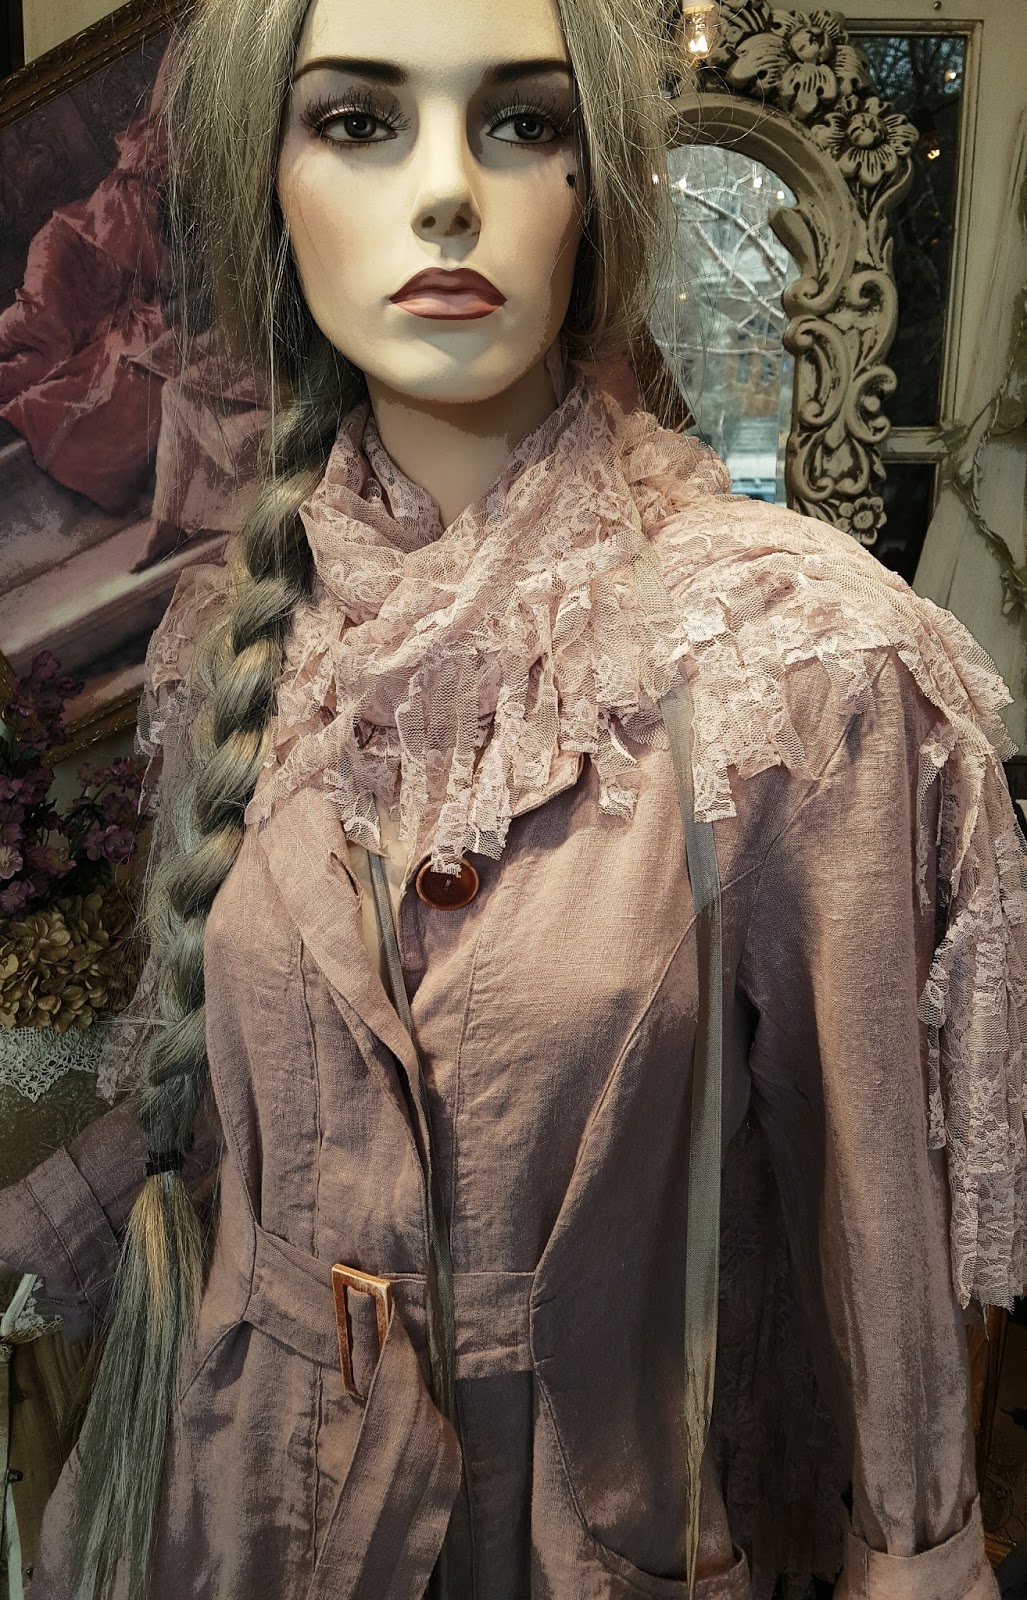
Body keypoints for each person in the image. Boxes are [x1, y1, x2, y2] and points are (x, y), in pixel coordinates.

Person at [0, 0, 1024, 1596]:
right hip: (230, 1515)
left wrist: (915, 1554)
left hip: (569, 1531)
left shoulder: (800, 667)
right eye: (358, 122)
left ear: (593, 186)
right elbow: (207, 1106)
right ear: (271, 186)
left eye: (522, 123)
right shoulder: (233, 634)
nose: (445, 194)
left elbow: (877, 1243)